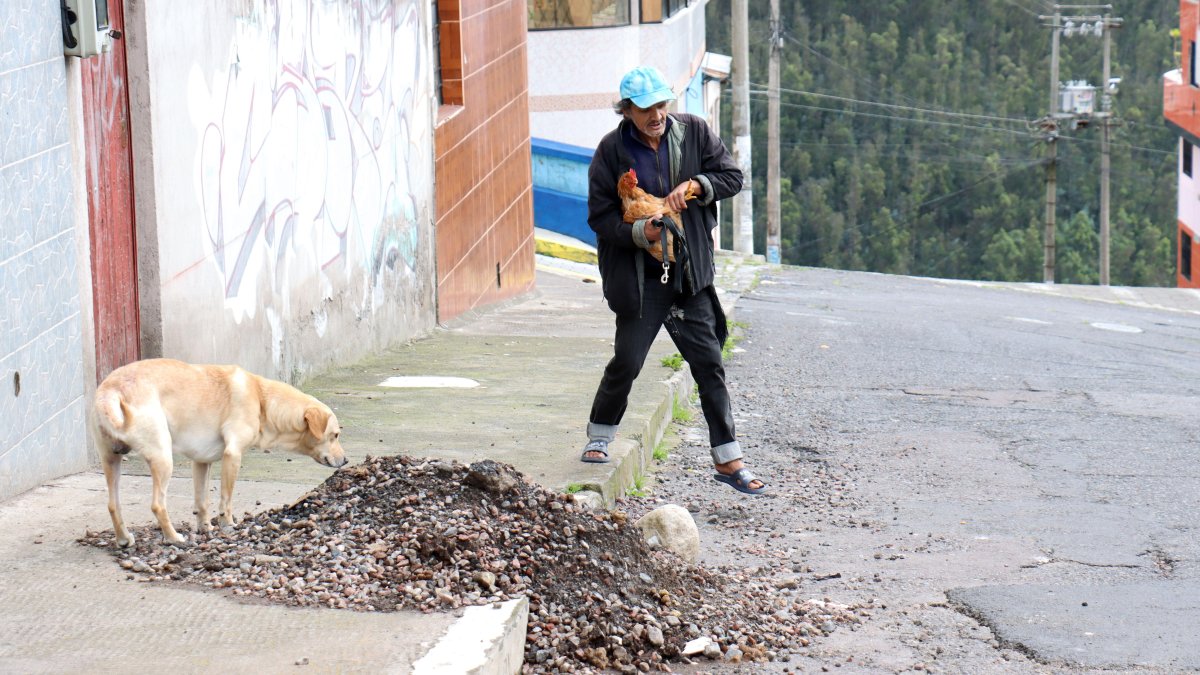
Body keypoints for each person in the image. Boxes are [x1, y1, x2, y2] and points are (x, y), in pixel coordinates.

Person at [579, 65, 765, 495]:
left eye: (662, 104)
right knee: (627, 360)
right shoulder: (611, 152)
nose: (657, 114)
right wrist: (637, 233)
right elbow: (600, 217)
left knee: (709, 364)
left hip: (688, 274)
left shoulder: (695, 132)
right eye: (646, 108)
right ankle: (600, 435)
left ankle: (728, 458)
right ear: (626, 110)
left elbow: (732, 177)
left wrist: (697, 185)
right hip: (642, 280)